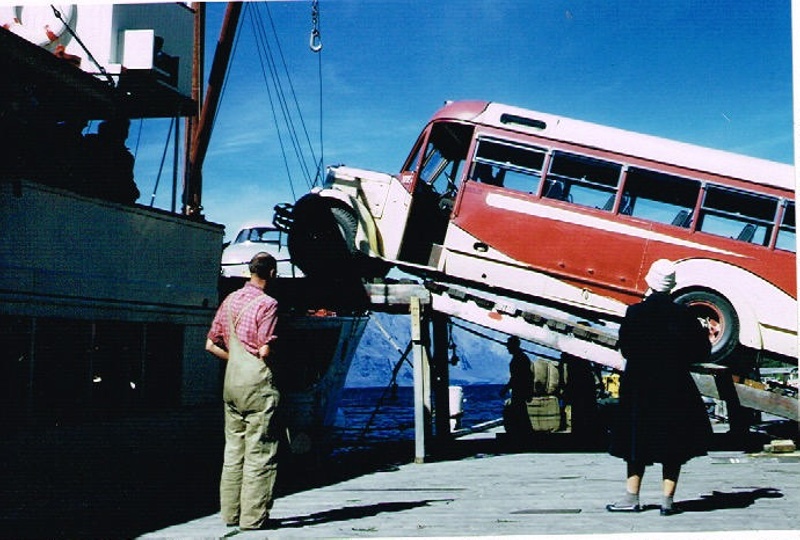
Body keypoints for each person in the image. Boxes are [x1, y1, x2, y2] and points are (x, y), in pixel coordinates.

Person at [606, 259, 713, 516]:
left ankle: (631, 497)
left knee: (636, 441)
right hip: (675, 386)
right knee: (673, 443)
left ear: (649, 283)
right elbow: (701, 353)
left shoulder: (634, 313)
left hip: (640, 385)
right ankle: (667, 501)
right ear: (672, 286)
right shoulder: (685, 315)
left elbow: (627, 349)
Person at [205, 252, 280, 530]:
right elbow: (265, 349)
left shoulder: (229, 301)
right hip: (256, 383)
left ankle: (230, 514)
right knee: (260, 450)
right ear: (271, 273)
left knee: (234, 450)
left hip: (231, 382)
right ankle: (253, 518)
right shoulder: (268, 304)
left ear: (251, 271)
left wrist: (236, 359)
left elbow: (211, 344)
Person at [500, 335, 534, 436]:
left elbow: (517, 377)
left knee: (520, 413)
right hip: (520, 391)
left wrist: (505, 389)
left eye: (509, 345)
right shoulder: (521, 357)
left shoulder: (519, 359)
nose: (507, 348)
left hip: (520, 391)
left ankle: (524, 435)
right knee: (521, 413)